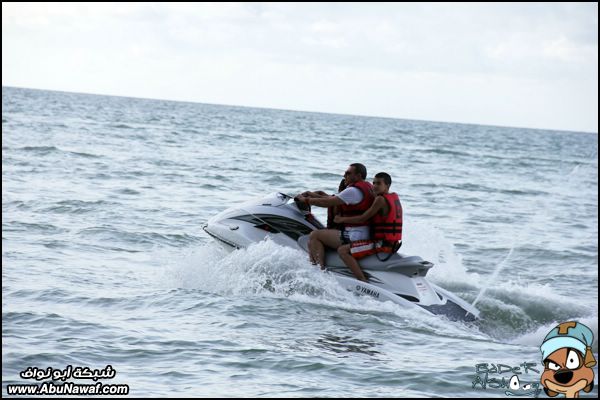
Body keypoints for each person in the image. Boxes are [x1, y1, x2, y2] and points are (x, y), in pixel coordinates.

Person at [296, 163, 374, 281]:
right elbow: (330, 198)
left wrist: (306, 200)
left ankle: (318, 274)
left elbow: (328, 203)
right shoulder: (367, 188)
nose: (344, 175)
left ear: (358, 175)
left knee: (315, 235)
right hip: (364, 233)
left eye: (348, 173)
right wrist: (312, 194)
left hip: (355, 236)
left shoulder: (353, 191)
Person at [334, 172, 403, 281]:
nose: (375, 186)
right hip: (393, 243)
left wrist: (341, 219)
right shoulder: (393, 197)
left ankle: (362, 280)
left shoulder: (380, 199)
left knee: (343, 250)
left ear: (387, 186)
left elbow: (362, 218)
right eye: (374, 183)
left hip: (381, 244)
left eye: (378, 183)